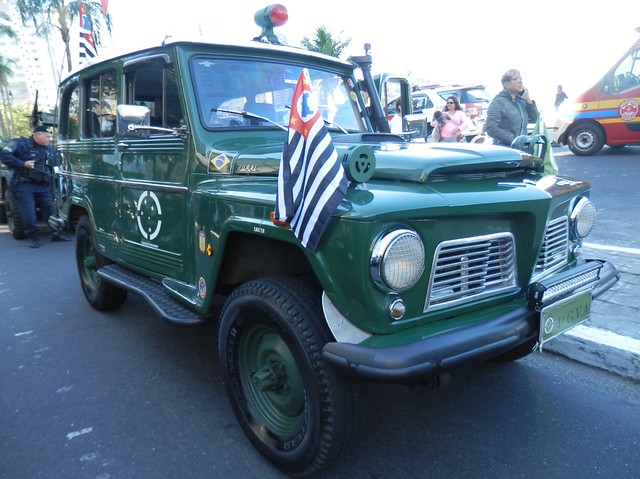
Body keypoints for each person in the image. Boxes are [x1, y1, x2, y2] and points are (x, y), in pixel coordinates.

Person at [0, 126, 70, 248]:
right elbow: (4, 155)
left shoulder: (49, 149)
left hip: (43, 185)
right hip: (24, 185)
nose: (49, 139)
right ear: (37, 135)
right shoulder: (20, 144)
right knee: (29, 214)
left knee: (50, 211)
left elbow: (55, 166)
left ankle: (56, 233)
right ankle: (33, 237)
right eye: (47, 136)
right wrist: (22, 164)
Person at [485, 69, 539, 147]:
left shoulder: (521, 102)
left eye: (521, 79)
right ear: (507, 84)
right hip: (505, 149)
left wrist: (529, 102)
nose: (520, 82)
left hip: (522, 148)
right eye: (516, 79)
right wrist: (514, 139)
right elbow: (491, 128)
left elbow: (535, 119)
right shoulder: (498, 102)